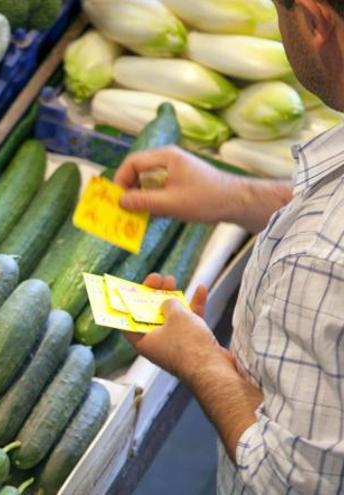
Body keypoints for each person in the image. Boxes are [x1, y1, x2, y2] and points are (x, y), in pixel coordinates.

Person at [114, 0, 344, 492]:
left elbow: (288, 484)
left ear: (314, 20)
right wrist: (233, 194)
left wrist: (198, 359)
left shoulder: (319, 264)